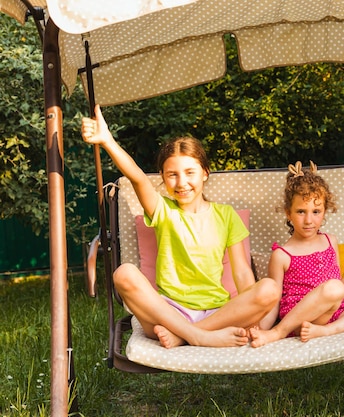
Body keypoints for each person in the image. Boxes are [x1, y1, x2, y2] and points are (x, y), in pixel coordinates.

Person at [82, 105, 280, 348]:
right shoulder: (162, 209)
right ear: (163, 178)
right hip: (167, 316)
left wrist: (251, 308)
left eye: (189, 172)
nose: (182, 182)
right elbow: (137, 177)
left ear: (205, 173)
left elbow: (241, 272)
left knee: (269, 289)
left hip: (217, 314)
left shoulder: (226, 215)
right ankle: (198, 336)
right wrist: (107, 140)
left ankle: (187, 335)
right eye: (172, 175)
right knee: (123, 273)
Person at [250, 161, 344, 347]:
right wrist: (261, 328)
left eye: (316, 211)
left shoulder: (330, 241)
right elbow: (275, 299)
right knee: (335, 288)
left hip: (335, 314)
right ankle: (278, 333)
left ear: (325, 211)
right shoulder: (282, 255)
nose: (309, 220)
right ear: (288, 213)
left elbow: (338, 280)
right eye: (301, 212)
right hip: (300, 319)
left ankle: (329, 331)